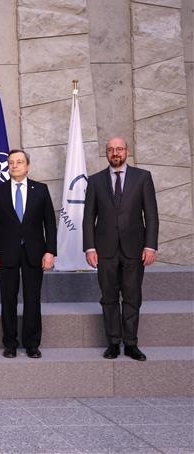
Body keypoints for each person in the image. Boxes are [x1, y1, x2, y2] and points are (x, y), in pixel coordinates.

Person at [83, 137, 158, 361]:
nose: (115, 153)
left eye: (119, 149)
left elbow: (151, 215)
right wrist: (89, 247)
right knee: (109, 297)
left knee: (132, 297)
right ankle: (113, 343)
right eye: (110, 150)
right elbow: (88, 218)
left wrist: (150, 246)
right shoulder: (95, 181)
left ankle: (131, 343)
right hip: (104, 249)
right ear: (106, 153)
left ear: (127, 151)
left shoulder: (143, 177)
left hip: (134, 248)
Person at [0, 149, 56, 359]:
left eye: (19, 162)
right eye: (11, 162)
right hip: (6, 253)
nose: (14, 166)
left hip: (35, 253)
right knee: (8, 299)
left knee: (33, 299)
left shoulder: (41, 190)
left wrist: (50, 251)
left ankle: (32, 344)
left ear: (28, 166)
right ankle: (10, 344)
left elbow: (50, 224)